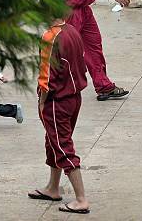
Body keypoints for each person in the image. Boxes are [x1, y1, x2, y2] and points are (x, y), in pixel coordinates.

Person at [28, 18, 90, 214]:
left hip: (57, 101)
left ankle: (81, 199)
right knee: (53, 142)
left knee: (62, 146)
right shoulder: (72, 30)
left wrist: (41, 101)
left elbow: (45, 77)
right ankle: (53, 188)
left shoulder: (50, 37)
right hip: (74, 97)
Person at [64, 0, 130, 100]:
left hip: (84, 9)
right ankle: (59, 89)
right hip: (68, 11)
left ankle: (104, 86)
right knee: (67, 51)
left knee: (94, 47)